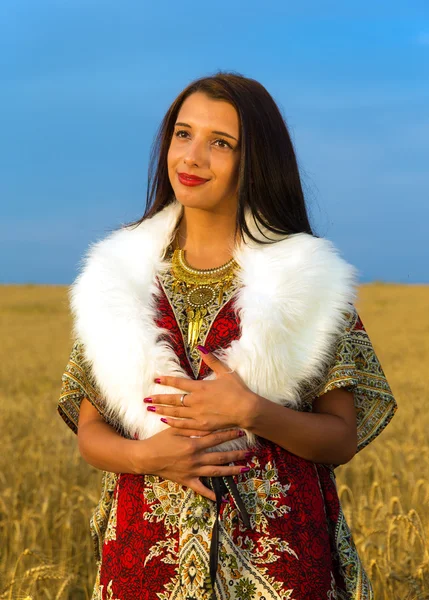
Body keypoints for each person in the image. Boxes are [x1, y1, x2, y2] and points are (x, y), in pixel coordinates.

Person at [58, 71, 397, 600]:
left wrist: (253, 411)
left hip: (279, 559)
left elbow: (341, 437)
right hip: (146, 561)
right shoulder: (117, 279)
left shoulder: (307, 282)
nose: (192, 158)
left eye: (221, 143)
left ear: (255, 161)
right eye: (183, 134)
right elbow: (90, 433)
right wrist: (148, 458)